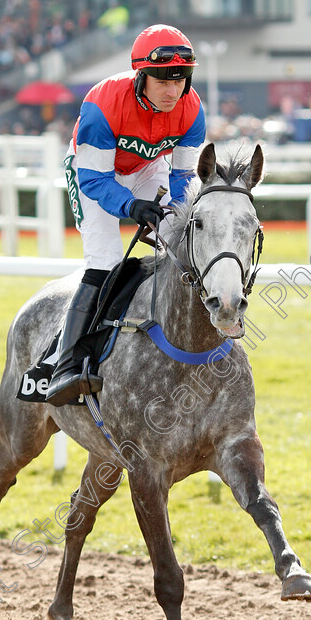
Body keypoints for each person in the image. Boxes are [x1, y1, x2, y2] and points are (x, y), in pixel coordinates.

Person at [46, 23, 206, 406]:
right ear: (141, 75)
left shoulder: (192, 108)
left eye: (181, 79)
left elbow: (184, 177)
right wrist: (133, 207)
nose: (173, 91)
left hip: (148, 169)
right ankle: (66, 365)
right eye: (164, 80)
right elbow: (95, 180)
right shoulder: (102, 104)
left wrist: (172, 217)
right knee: (105, 262)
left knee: (180, 244)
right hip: (94, 174)